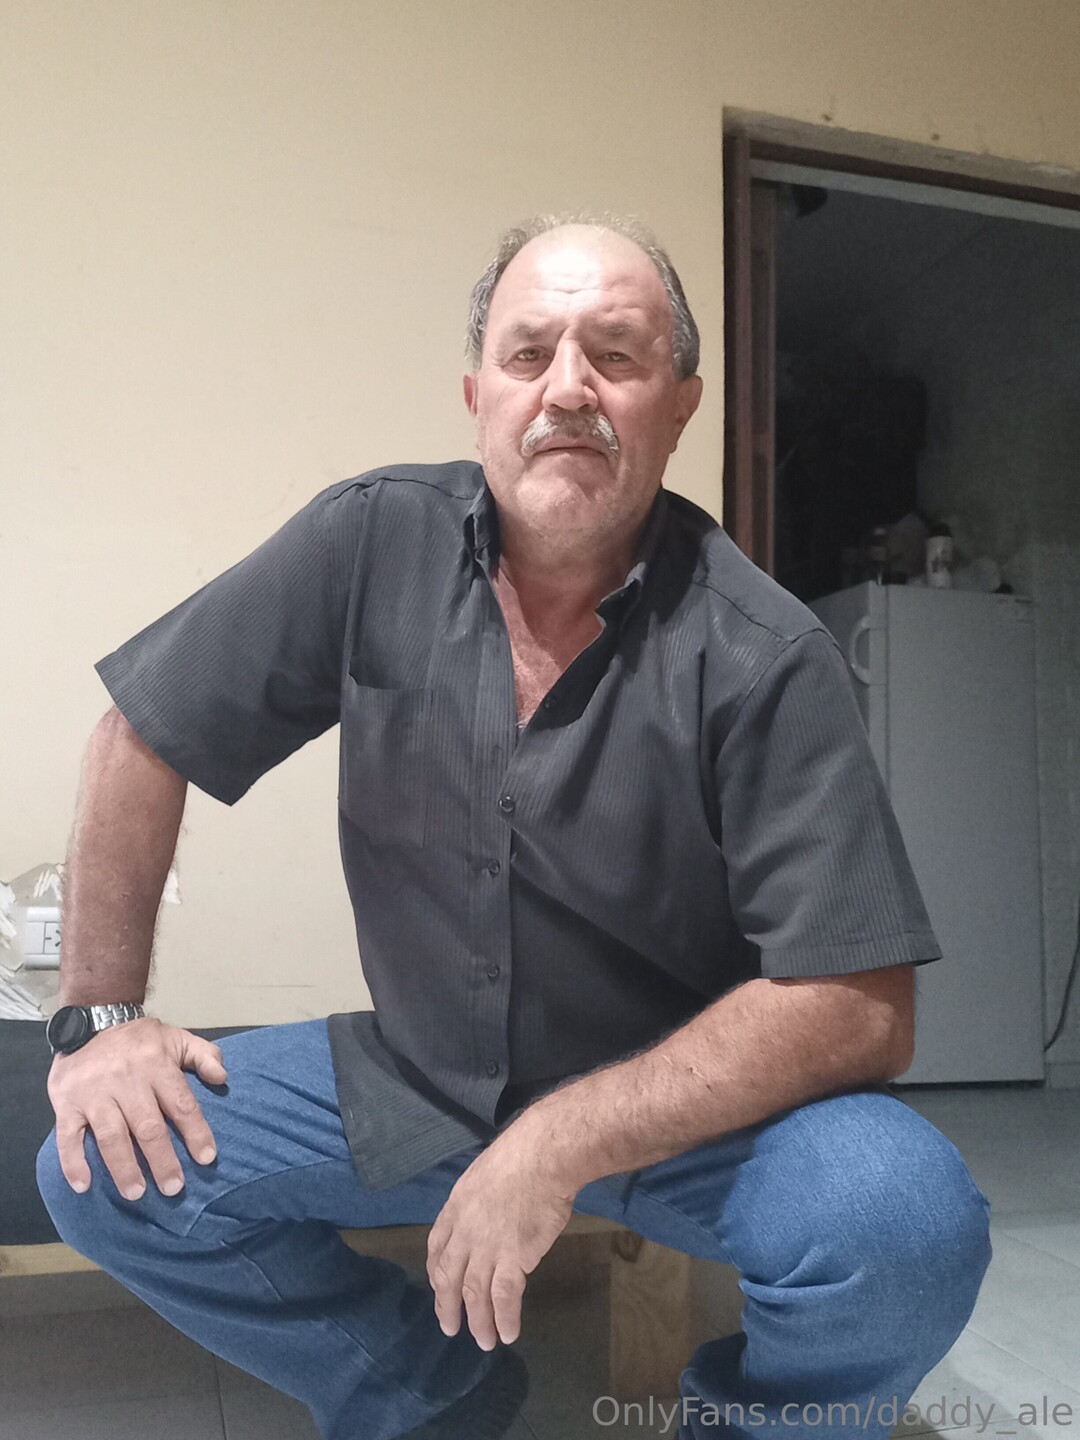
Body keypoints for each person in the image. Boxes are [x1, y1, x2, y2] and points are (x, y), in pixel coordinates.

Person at [37, 215, 990, 1440]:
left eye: (617, 355)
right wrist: (101, 1019)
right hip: (418, 1075)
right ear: (478, 394)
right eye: (530, 353)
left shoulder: (765, 652)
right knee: (96, 1166)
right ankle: (420, 1387)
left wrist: (559, 1139)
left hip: (681, 1113)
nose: (568, 388)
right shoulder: (368, 540)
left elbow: (859, 1004)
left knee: (907, 1225)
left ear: (681, 404)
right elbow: (142, 734)